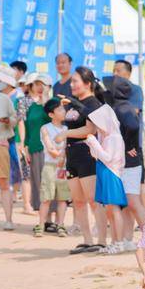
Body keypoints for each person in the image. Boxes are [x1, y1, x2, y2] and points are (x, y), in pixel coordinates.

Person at [56, 66, 108, 254]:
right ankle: (87, 240)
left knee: (94, 200)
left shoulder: (93, 103)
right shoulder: (73, 103)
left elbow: (90, 130)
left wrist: (66, 133)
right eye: (71, 81)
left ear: (87, 83)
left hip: (87, 156)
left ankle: (101, 240)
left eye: (75, 81)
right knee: (78, 201)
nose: (72, 84)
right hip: (72, 156)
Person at [102, 76, 145, 252]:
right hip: (122, 162)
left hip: (130, 162)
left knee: (133, 202)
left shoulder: (123, 108)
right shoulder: (116, 108)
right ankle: (128, 239)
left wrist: (130, 145)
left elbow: (133, 125)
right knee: (127, 204)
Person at [85, 104, 128, 254]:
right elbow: (96, 155)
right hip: (105, 173)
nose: (97, 128)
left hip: (111, 174)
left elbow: (107, 157)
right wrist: (93, 144)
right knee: (109, 210)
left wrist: (94, 142)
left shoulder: (114, 138)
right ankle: (114, 241)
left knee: (114, 209)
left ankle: (120, 242)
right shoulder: (107, 138)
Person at [17, 73, 51, 220]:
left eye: (41, 84)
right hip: (28, 143)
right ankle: (28, 204)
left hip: (45, 146)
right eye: (35, 84)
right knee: (27, 174)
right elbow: (21, 123)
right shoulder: (23, 101)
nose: (38, 87)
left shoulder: (47, 102)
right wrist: (23, 143)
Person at [35, 98, 70, 238]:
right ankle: (41, 225)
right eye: (60, 109)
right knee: (46, 198)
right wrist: (61, 156)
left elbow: (67, 147)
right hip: (50, 167)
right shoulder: (45, 128)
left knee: (63, 198)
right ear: (51, 114)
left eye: (63, 109)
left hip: (63, 168)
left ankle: (60, 225)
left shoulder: (67, 129)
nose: (64, 111)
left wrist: (63, 157)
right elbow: (50, 148)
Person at [0, 70, 18, 230]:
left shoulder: (4, 99)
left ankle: (8, 219)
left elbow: (15, 119)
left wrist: (8, 120)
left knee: (3, 182)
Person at [113, 59, 144, 146]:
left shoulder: (136, 90)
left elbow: (133, 111)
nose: (114, 74)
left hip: (132, 145)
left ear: (128, 74)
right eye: (113, 71)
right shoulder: (111, 92)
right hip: (115, 144)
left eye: (118, 71)